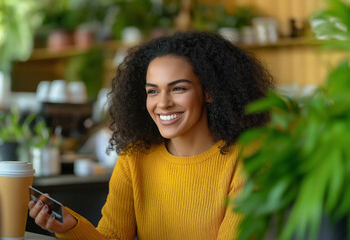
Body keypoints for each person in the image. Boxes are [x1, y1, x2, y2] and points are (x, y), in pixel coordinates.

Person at [28, 31, 273, 239]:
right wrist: (71, 227)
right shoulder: (135, 158)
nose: (163, 103)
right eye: (153, 91)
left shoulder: (248, 157)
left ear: (209, 91)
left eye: (178, 88)